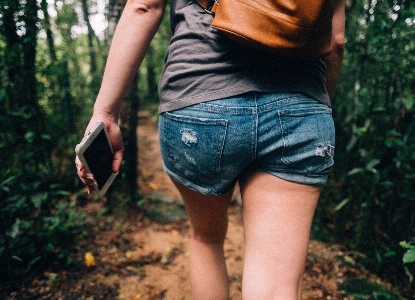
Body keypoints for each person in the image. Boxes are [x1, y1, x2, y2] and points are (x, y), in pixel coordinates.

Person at [76, 0, 345, 298]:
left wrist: (105, 113)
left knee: (207, 238)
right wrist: (309, 110)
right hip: (299, 103)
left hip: (198, 100)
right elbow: (336, 41)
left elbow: (144, 6)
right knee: (276, 288)